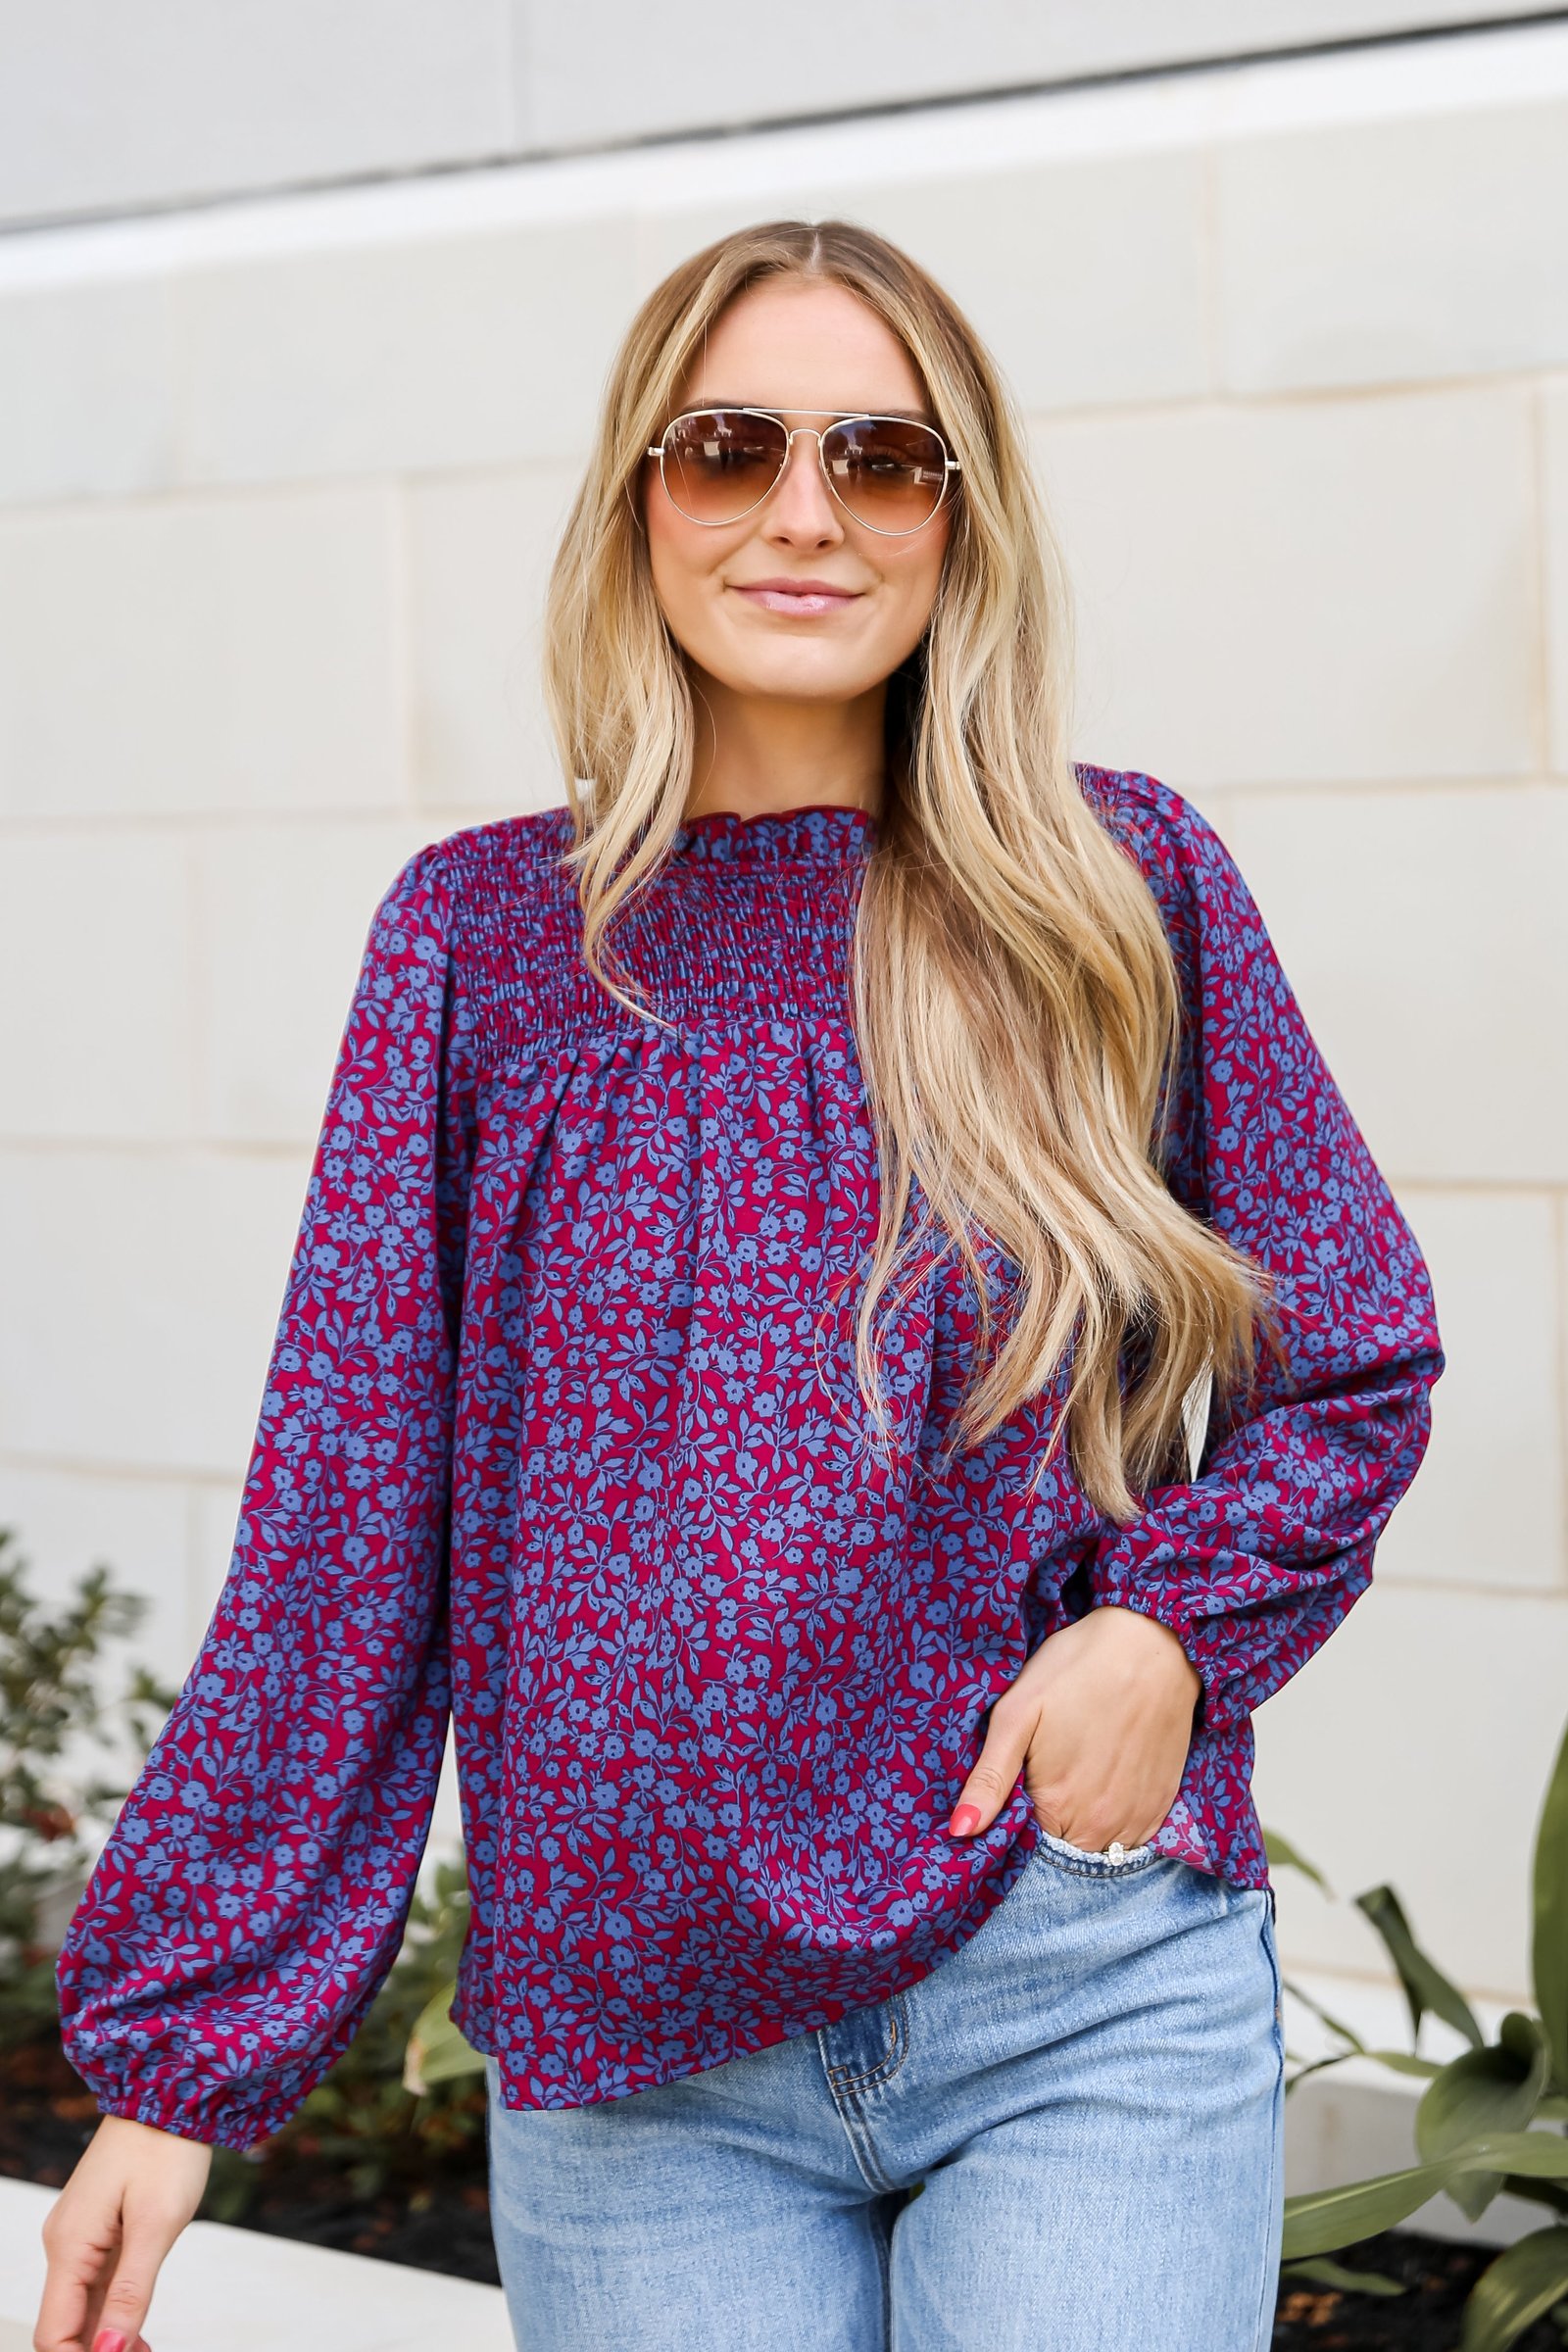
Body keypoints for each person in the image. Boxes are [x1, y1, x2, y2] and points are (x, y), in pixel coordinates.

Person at [35, 220, 1443, 2352]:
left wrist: (1165, 1633)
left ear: (956, 519)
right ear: (640, 499)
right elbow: (349, 1507)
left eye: (881, 459)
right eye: (732, 448)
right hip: (639, 2062)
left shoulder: (1113, 889)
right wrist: (176, 2065)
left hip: (1066, 1988)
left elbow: (1346, 1351)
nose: (806, 512)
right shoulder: (483, 948)